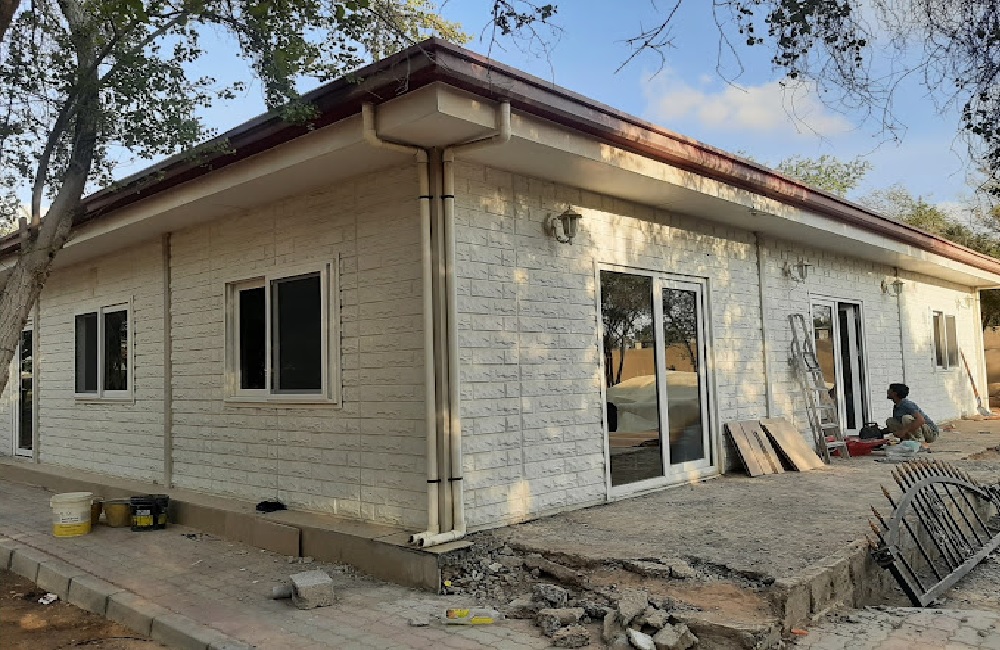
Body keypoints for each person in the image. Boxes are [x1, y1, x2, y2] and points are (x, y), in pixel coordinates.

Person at [885, 383, 940, 447]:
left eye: (890, 390)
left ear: (895, 393)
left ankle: (919, 442)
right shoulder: (897, 406)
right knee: (890, 421)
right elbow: (899, 424)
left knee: (906, 418)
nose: (887, 391)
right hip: (920, 430)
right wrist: (880, 432)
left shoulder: (906, 405)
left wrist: (903, 431)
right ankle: (908, 441)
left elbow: (921, 420)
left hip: (931, 433)